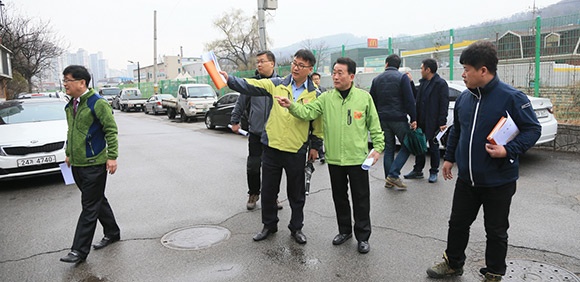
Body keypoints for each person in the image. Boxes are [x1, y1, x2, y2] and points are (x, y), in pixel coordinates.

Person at [426, 41, 541, 282]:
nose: (463, 74)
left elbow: (533, 129)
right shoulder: (465, 99)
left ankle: (494, 272)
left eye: (467, 69)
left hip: (499, 180)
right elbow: (457, 130)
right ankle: (453, 264)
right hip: (467, 180)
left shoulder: (511, 97)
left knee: (496, 231)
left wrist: (508, 150)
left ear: (483, 70)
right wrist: (448, 159)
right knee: (457, 224)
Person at [276, 57, 384, 254]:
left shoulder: (364, 98)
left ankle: (363, 236)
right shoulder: (325, 98)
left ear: (351, 76)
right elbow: (307, 112)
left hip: (358, 159)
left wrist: (377, 148)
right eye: (333, 72)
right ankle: (344, 231)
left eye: (340, 73)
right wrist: (290, 105)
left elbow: (375, 126)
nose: (335, 76)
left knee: (361, 199)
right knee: (339, 197)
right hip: (335, 159)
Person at [220, 49, 323, 245]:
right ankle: (269, 225)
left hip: (295, 149)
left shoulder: (315, 94)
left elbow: (318, 123)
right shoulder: (278, 84)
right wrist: (230, 80)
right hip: (272, 147)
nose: (295, 67)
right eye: (294, 63)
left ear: (310, 69)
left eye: (301, 65)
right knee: (268, 191)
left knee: (296, 194)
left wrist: (315, 146)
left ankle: (296, 228)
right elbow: (252, 84)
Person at [59, 65, 121, 264]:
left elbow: (111, 130)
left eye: (68, 80)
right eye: (64, 80)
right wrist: (69, 153)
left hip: (95, 164)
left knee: (89, 206)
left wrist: (112, 156)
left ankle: (79, 250)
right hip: (78, 164)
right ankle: (112, 232)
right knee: (96, 200)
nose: (65, 84)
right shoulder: (71, 105)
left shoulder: (97, 103)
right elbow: (71, 132)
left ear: (81, 82)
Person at [230, 50, 283, 210]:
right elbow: (241, 102)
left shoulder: (281, 83)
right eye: (257, 62)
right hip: (256, 133)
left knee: (273, 168)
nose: (258, 64)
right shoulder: (252, 83)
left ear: (272, 64)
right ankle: (253, 193)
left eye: (262, 61)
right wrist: (235, 120)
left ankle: (273, 197)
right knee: (253, 166)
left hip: (275, 134)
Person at [369, 54, 417, 190]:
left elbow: (372, 100)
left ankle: (389, 180)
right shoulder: (402, 78)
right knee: (407, 146)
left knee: (389, 148)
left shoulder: (376, 79)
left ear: (386, 64)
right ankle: (393, 175)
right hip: (398, 118)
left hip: (382, 119)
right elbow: (410, 100)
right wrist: (413, 118)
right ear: (398, 66)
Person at [403, 58, 449, 183]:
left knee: (433, 147)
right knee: (420, 145)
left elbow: (444, 104)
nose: (421, 70)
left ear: (428, 70)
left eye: (422, 68)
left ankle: (434, 171)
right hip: (421, 120)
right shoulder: (423, 83)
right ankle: (418, 170)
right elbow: (416, 97)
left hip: (433, 121)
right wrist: (411, 83)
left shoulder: (440, 84)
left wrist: (442, 122)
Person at [311, 71, 326, 163]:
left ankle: (321, 155)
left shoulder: (323, 90)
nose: (316, 81)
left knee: (319, 136)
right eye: (314, 79)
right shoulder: (310, 90)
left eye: (317, 79)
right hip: (312, 115)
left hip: (321, 116)